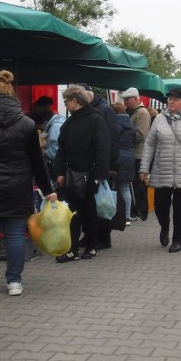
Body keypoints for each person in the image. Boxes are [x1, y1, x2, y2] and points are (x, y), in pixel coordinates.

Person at [0, 71, 57, 296]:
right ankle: (14, 282)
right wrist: (48, 191)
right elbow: (38, 162)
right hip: (18, 185)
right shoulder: (27, 124)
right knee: (15, 234)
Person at [53, 85, 110, 263]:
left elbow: (103, 149)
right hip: (72, 174)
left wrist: (99, 175)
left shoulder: (95, 119)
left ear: (74, 101)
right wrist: (60, 172)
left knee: (89, 211)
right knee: (73, 212)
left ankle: (91, 245)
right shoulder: (70, 122)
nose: (65, 104)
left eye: (66, 101)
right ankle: (74, 248)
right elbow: (61, 149)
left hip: (90, 174)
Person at [139, 89, 181, 253]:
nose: (171, 102)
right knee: (160, 205)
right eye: (169, 99)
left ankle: (177, 239)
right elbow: (150, 144)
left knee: (179, 207)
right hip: (161, 168)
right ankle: (164, 226)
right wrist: (144, 168)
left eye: (175, 99)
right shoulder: (159, 118)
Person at [121, 87, 151, 221]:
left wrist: (125, 134)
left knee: (139, 185)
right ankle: (137, 209)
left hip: (138, 154)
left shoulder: (142, 113)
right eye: (124, 100)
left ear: (135, 98)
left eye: (127, 99)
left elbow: (141, 135)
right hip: (133, 153)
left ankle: (141, 210)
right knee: (135, 184)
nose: (125, 102)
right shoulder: (133, 112)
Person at [111, 102, 136, 226]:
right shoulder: (130, 124)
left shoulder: (115, 124)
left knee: (115, 187)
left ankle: (117, 214)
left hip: (118, 156)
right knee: (125, 188)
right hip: (129, 156)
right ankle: (127, 215)